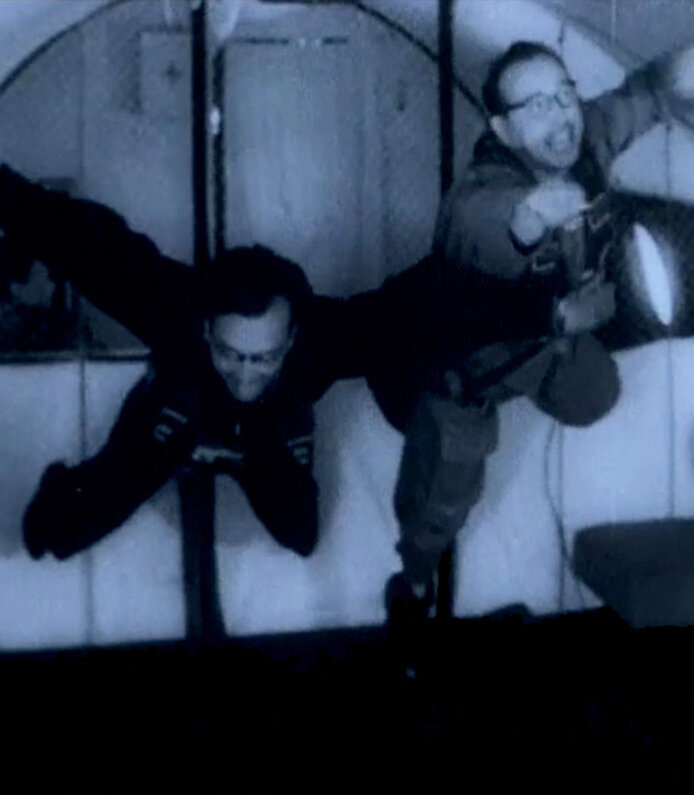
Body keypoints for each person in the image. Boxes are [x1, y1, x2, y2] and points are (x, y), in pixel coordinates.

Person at [385, 39, 694, 632]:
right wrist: (533, 215)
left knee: (595, 391)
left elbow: (647, 92)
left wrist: (678, 67)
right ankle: (412, 593)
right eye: (537, 107)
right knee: (437, 510)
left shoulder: (584, 137)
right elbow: (488, 225)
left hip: (556, 344)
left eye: (564, 95)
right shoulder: (477, 198)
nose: (561, 117)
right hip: (474, 371)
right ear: (502, 129)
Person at [0, 165, 371, 562]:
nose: (245, 376)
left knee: (301, 535)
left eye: (264, 357)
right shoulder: (173, 307)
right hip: (181, 411)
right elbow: (82, 240)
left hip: (267, 432)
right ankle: (60, 499)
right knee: (59, 534)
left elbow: (402, 313)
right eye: (229, 353)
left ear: (292, 337)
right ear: (206, 328)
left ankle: (249, 441)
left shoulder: (324, 338)